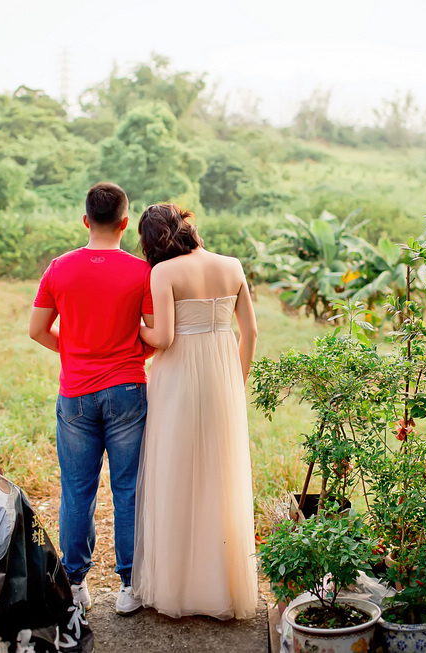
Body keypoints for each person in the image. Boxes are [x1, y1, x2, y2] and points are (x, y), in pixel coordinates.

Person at [29, 182, 152, 616]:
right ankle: (130, 586)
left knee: (76, 492)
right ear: (124, 224)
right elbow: (153, 334)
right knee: (128, 490)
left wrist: (76, 349)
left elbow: (37, 329)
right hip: (127, 392)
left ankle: (76, 583)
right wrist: (129, 353)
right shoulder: (142, 272)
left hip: (75, 395)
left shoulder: (59, 267)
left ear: (85, 220)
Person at [132, 204, 258, 620]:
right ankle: (221, 586)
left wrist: (136, 327)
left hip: (179, 380)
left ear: (153, 243)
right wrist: (235, 383)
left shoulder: (163, 272)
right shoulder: (232, 264)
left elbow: (164, 337)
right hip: (223, 378)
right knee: (220, 476)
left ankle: (179, 588)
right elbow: (250, 333)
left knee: (176, 472)